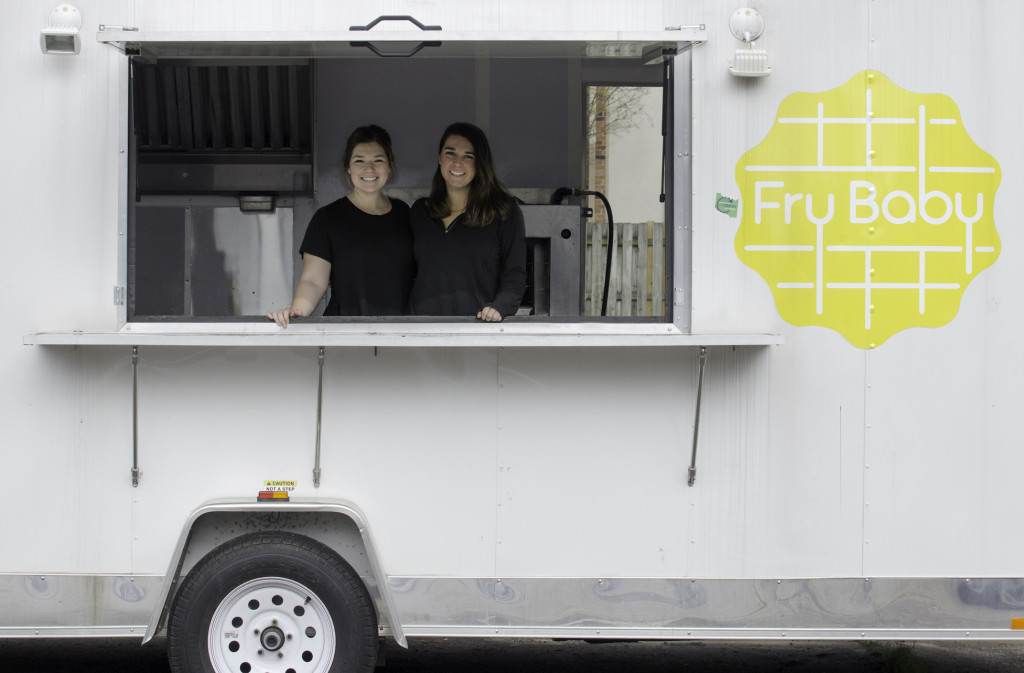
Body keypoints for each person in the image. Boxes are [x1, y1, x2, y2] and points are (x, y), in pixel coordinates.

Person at [267, 125, 414, 327]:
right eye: (359, 161)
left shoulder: (404, 213)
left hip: (401, 333)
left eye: (378, 160)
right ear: (348, 167)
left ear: (389, 166)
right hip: (344, 332)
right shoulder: (328, 218)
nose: (369, 169)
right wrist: (295, 315)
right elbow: (313, 281)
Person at [408, 122, 526, 322]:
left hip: (476, 328)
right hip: (419, 329)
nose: (457, 163)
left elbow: (515, 274)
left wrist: (499, 307)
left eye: (468, 156)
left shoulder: (504, 212)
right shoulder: (421, 211)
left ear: (480, 163)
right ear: (439, 158)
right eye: (450, 153)